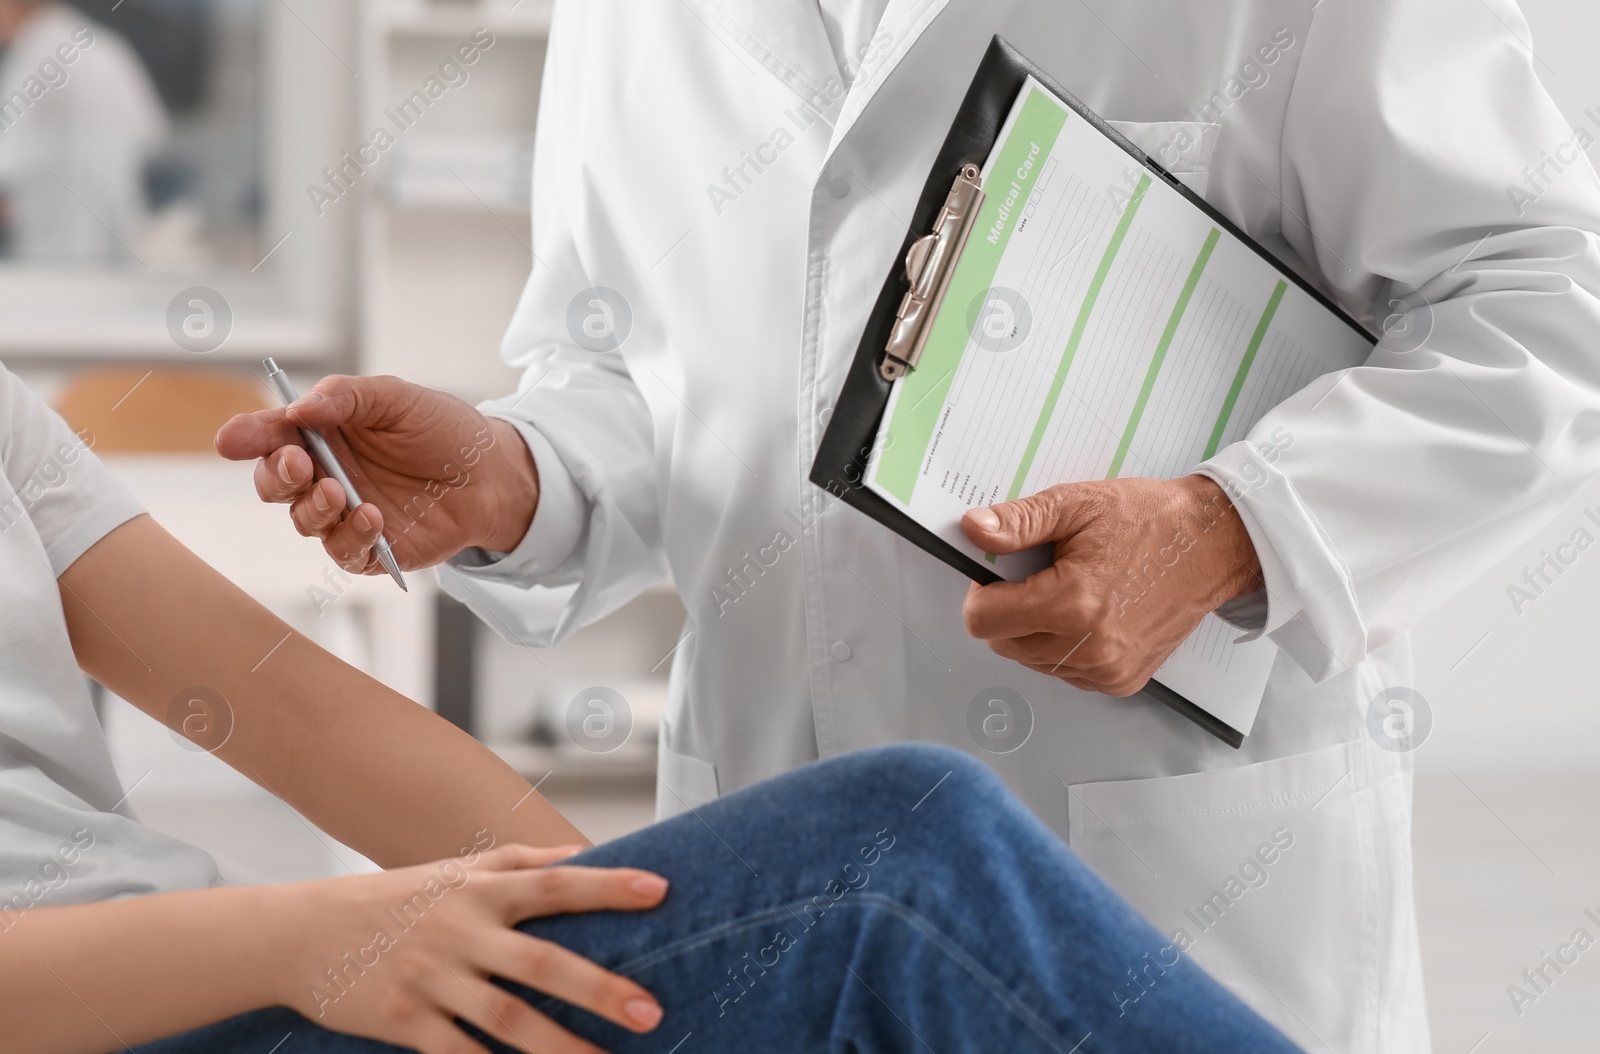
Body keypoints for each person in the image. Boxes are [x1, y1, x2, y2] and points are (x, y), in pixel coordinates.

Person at [216, 0, 1600, 1048]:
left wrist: (1237, 524)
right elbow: (652, 375)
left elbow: (1548, 300)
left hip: (1166, 865)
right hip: (778, 852)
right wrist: (520, 478)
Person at [0, 362, 1301, 1053]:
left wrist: (653, 956)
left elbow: (294, 713)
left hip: (224, 1000)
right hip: (153, 1006)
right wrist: (305, 935)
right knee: (890, 867)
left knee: (837, 919)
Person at [0, 0, 167, 263]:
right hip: (110, 215)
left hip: (56, 225)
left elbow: (10, 150)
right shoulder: (101, 44)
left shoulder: (37, 50)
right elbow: (149, 130)